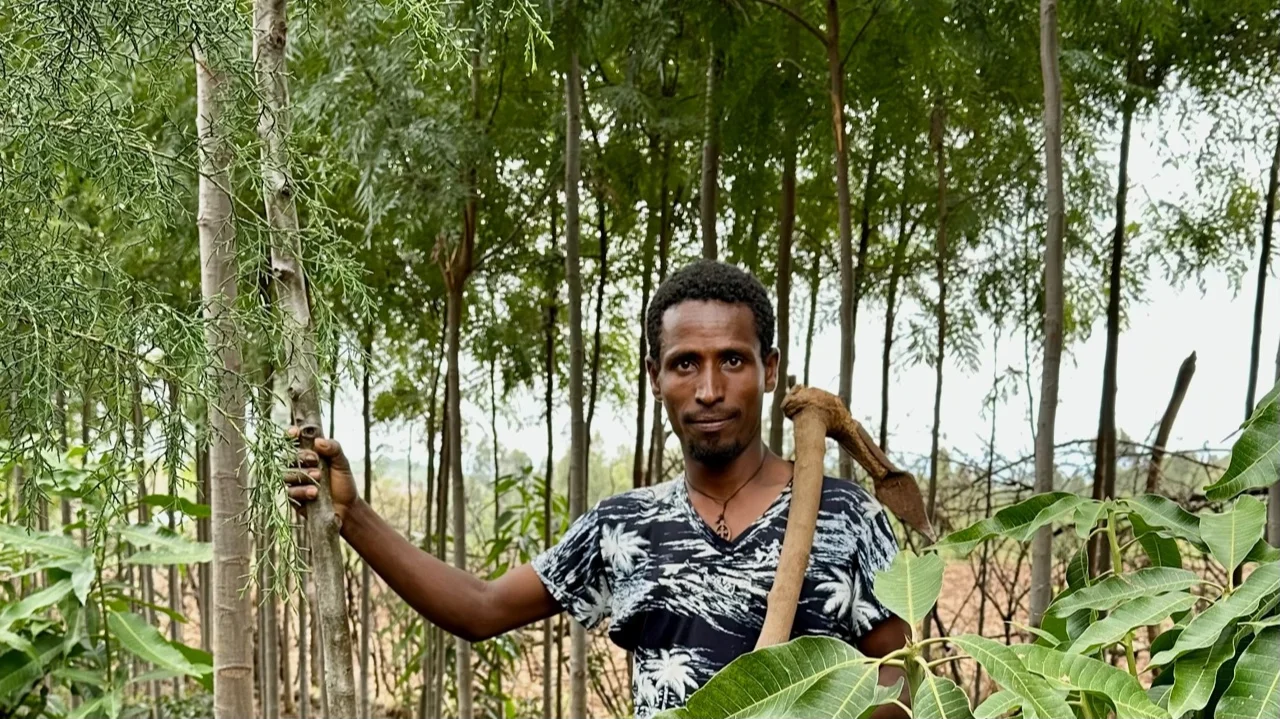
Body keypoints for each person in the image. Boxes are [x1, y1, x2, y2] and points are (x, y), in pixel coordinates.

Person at [285, 260, 910, 719]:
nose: (710, 389)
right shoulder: (622, 528)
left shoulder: (847, 516)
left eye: (734, 360)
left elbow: (901, 682)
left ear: (769, 370)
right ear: (655, 376)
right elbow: (480, 608)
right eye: (685, 362)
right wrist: (354, 516)